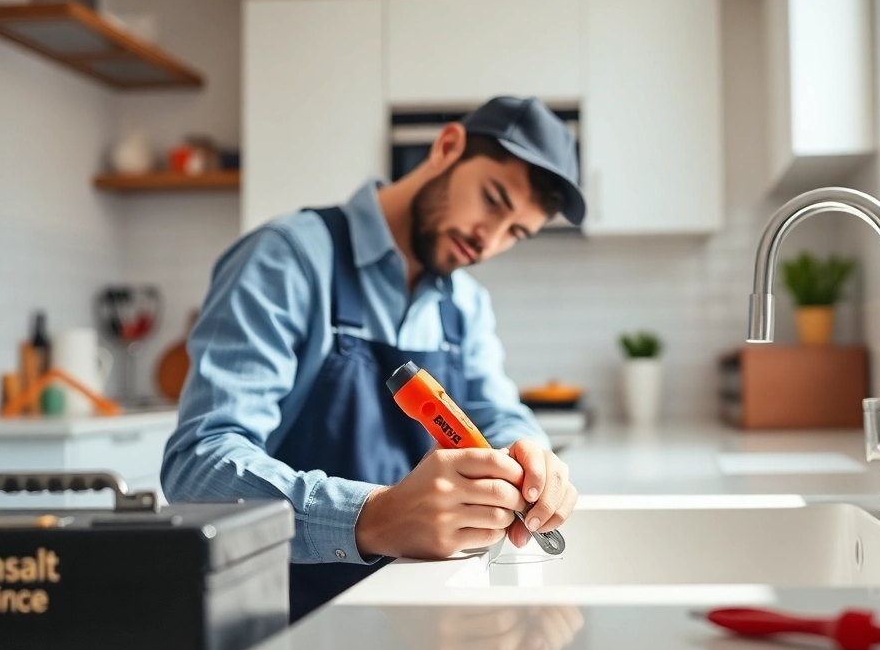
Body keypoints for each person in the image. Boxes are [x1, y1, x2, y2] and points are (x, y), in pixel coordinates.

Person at [161, 97, 584, 619]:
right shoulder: (287, 259)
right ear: (447, 147)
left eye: (516, 232)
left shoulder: (467, 304)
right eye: (493, 201)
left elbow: (498, 414)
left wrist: (532, 458)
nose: (490, 239)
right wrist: (372, 518)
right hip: (282, 623)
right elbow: (197, 468)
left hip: (421, 627)